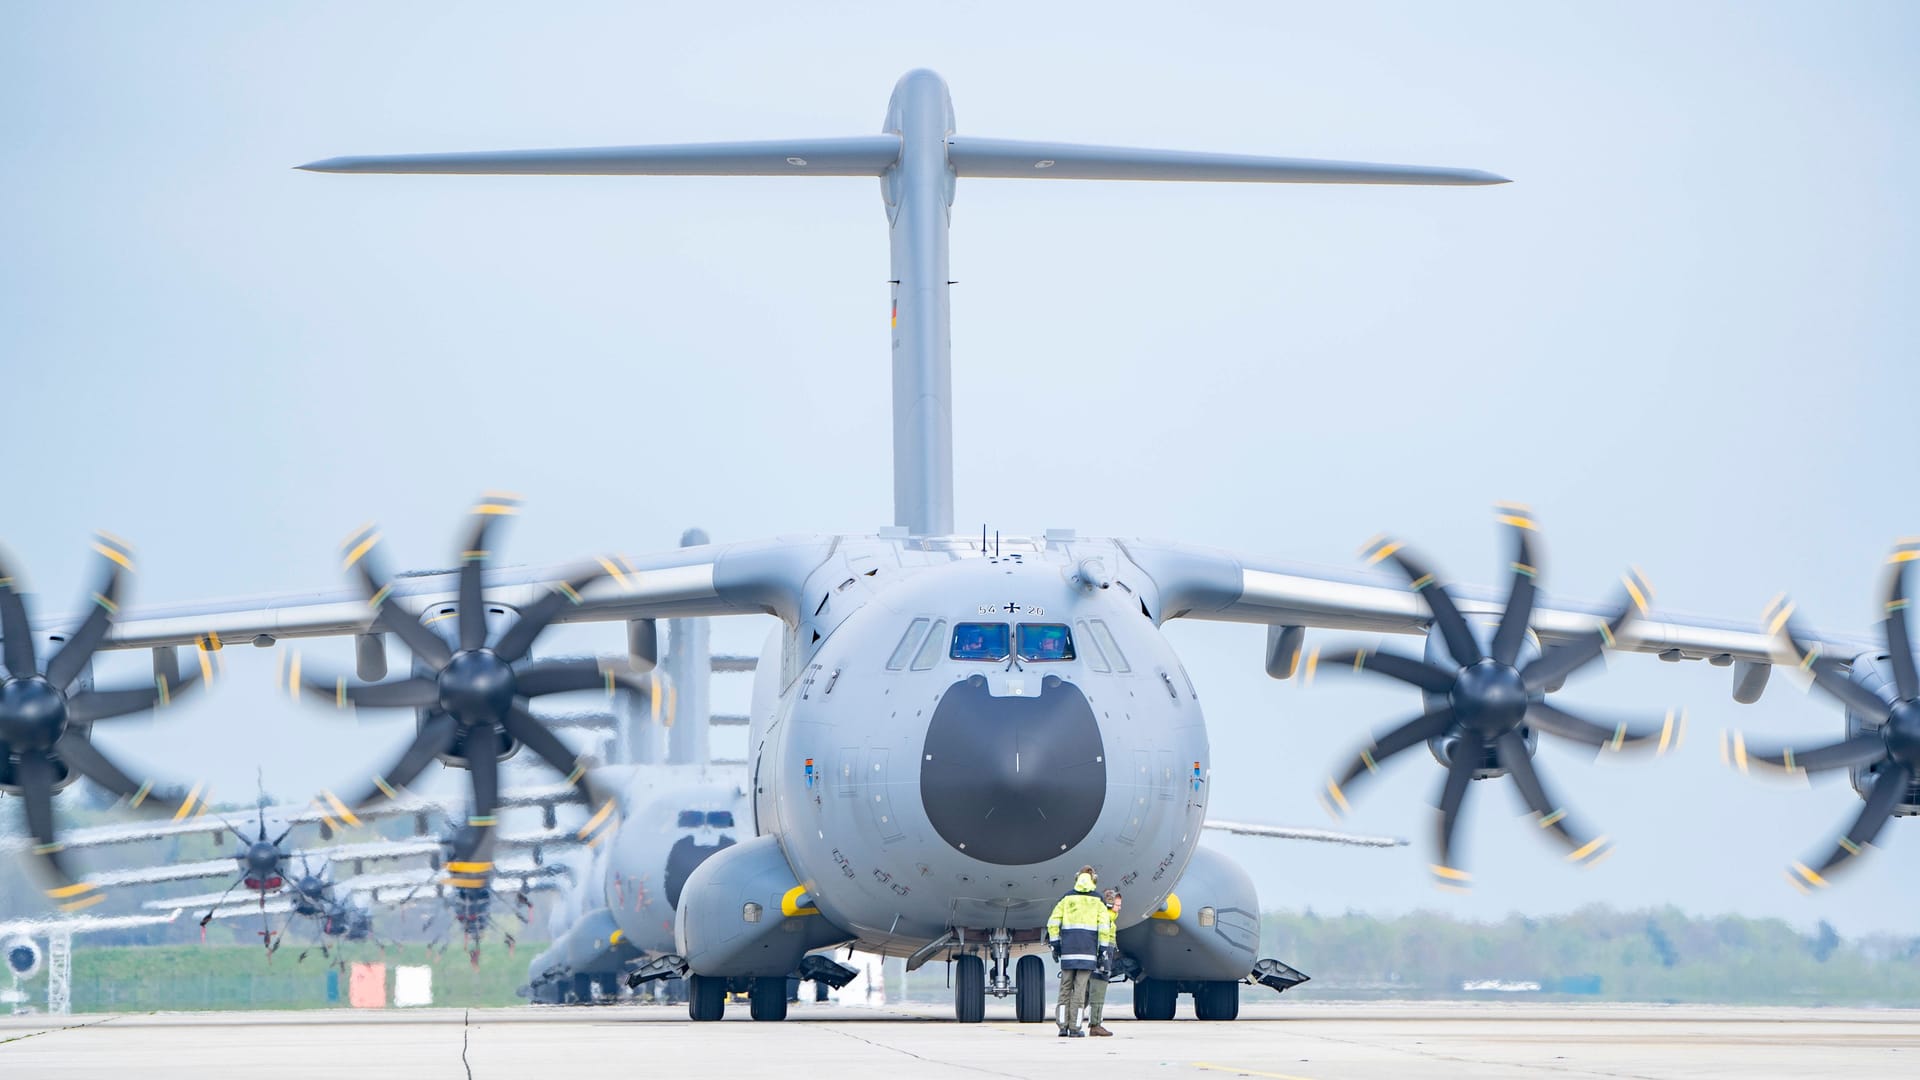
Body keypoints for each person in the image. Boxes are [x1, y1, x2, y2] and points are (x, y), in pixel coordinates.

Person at [1045, 865, 1105, 1037]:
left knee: (1064, 989)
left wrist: (1056, 946)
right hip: (1087, 953)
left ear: (1077, 878)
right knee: (1080, 991)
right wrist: (1103, 952)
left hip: (1068, 952)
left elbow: (1053, 923)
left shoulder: (1067, 898)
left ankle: (1062, 1027)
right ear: (1094, 879)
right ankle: (1075, 1028)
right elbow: (1104, 928)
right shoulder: (1097, 900)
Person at [1085, 888, 1121, 1036]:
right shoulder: (1106, 918)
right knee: (1098, 992)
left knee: (1085, 993)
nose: (1120, 908)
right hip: (1102, 959)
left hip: (1097, 958)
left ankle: (1071, 1023)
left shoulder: (1105, 917)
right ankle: (1095, 1024)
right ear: (1110, 904)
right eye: (1118, 905)